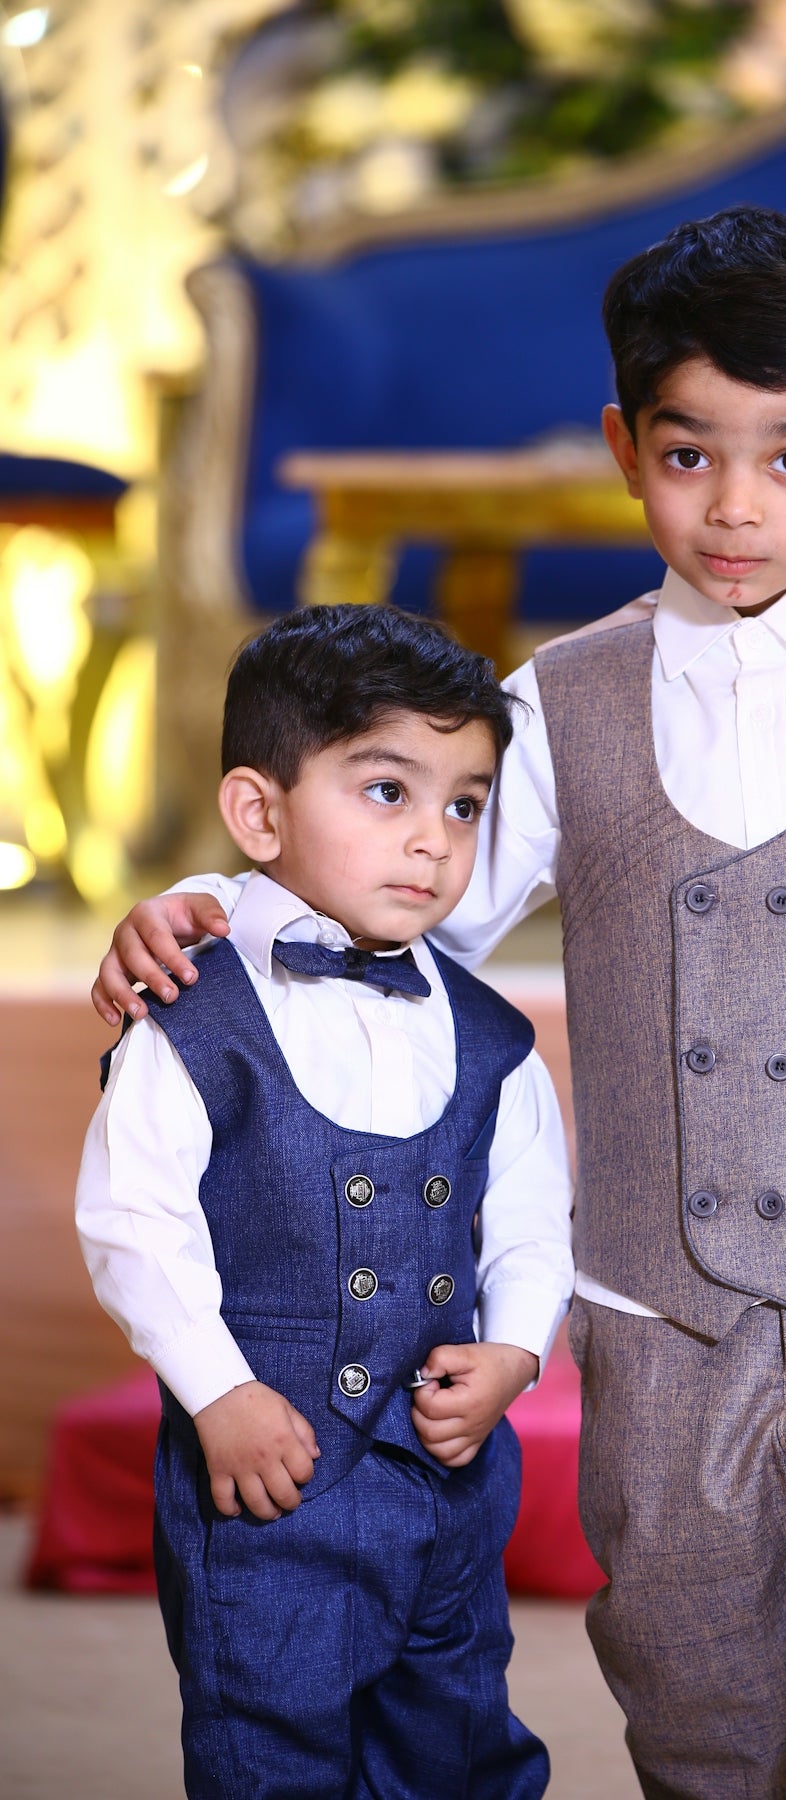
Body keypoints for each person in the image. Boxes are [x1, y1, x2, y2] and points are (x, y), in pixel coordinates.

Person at [91, 206, 786, 1800]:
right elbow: (417, 906)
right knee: (691, 1687)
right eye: (692, 454)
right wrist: (216, 912)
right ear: (629, 449)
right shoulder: (554, 706)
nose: (735, 506)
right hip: (658, 1312)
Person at [77, 605, 573, 1800]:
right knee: (271, 1740)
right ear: (259, 815)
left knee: (455, 1738)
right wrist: (221, 1391)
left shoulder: (494, 1038)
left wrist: (514, 1353)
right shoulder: (193, 1019)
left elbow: (530, 1223)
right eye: (388, 793)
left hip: (446, 1490)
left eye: (465, 804)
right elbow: (134, 1224)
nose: (435, 842)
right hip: (269, 1484)